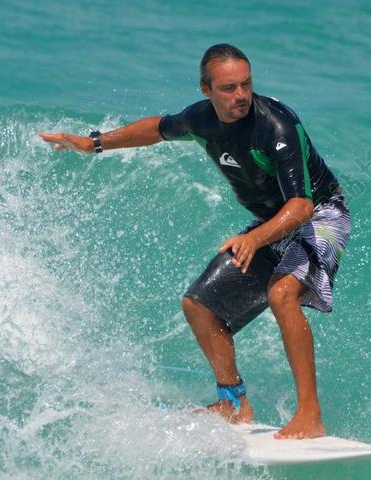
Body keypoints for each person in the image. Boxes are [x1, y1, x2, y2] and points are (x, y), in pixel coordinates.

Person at [38, 44, 350, 439]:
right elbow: (157, 128)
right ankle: (232, 402)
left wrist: (254, 237)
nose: (240, 96)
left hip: (321, 214)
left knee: (283, 295)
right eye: (229, 88)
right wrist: (93, 143)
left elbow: (302, 207)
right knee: (199, 305)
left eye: (246, 85)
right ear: (207, 90)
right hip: (269, 222)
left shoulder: (276, 125)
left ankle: (310, 415)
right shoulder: (201, 119)